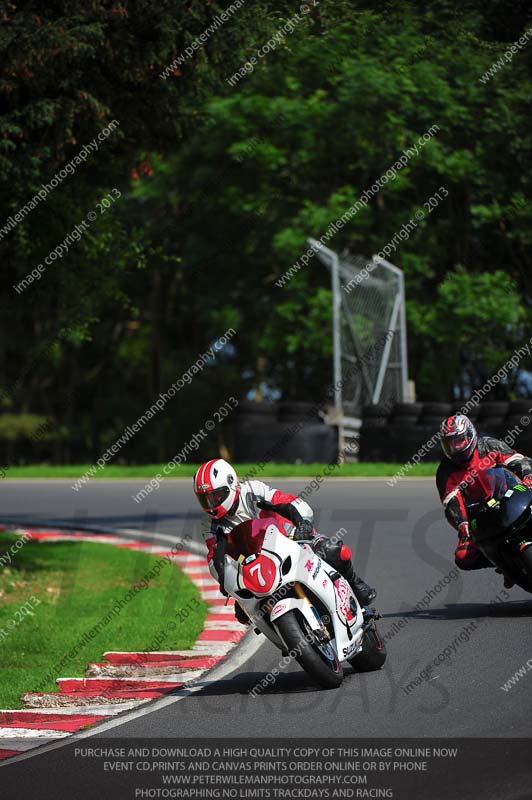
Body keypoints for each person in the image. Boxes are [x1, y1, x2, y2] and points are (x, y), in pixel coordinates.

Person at [193, 458, 377, 624]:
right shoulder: (209, 524)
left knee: (332, 550)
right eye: (205, 499)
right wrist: (223, 579)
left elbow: (285, 501)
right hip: (254, 566)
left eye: (216, 495)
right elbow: (214, 556)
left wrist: (302, 523)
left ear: (231, 484)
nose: (211, 504)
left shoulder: (252, 491)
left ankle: (355, 583)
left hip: (289, 539)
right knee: (244, 613)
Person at [436, 414, 532, 583]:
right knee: (463, 557)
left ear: (470, 435)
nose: (455, 447)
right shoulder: (445, 471)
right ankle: (505, 566)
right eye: (449, 443)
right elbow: (451, 502)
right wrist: (463, 524)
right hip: (479, 515)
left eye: (459, 440)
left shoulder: (487, 445)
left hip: (509, 496)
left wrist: (528, 476)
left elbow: (517, 460)